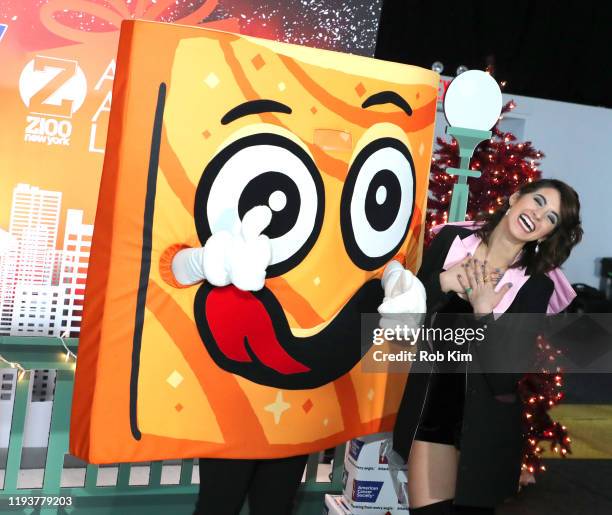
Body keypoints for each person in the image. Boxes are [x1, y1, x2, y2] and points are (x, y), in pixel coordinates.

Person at [391, 178, 583, 514]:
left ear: (547, 235)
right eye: (538, 202)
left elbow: (503, 379)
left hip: (483, 429)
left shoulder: (534, 287)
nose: (539, 216)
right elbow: (402, 321)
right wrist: (442, 282)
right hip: (432, 414)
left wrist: (483, 313)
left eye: (551, 218)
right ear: (515, 197)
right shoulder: (452, 242)